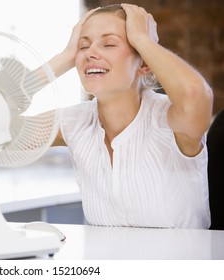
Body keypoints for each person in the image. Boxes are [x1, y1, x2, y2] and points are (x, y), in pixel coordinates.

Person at [46, 3, 213, 229]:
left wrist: (143, 40)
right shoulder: (74, 123)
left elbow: (194, 94)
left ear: (143, 61)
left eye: (109, 43)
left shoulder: (170, 120)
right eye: (83, 46)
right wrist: (63, 58)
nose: (90, 53)